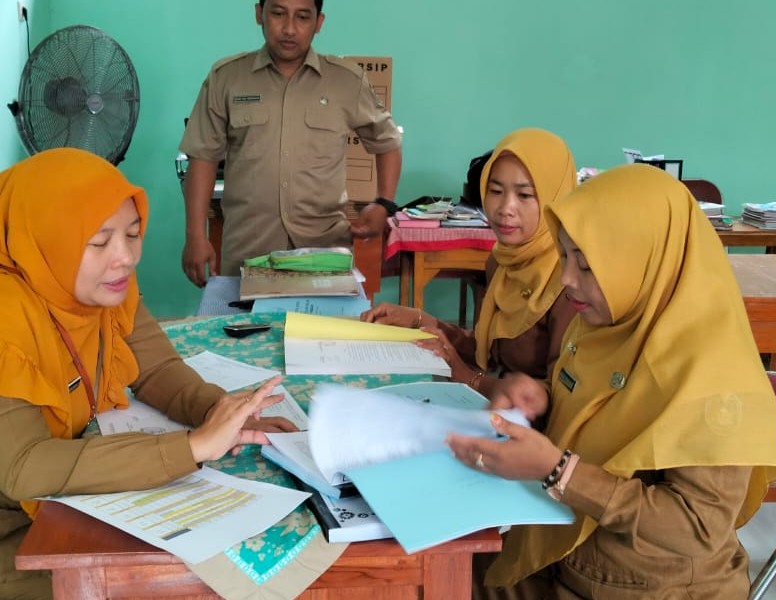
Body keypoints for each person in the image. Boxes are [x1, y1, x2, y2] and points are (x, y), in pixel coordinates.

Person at [446, 163, 776, 599]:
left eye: (587, 266)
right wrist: (541, 398)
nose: (567, 279)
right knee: (434, 571)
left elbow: (697, 528)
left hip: (648, 587)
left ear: (644, 262)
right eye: (565, 256)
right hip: (573, 550)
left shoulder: (715, 377)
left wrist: (558, 471)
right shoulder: (609, 324)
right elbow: (601, 408)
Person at [0, 148, 298, 599]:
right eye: (98, 242)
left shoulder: (100, 288)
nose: (125, 258)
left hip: (59, 502)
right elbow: (24, 466)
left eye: (133, 234)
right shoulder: (7, 316)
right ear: (45, 239)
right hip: (13, 529)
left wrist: (219, 413)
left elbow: (155, 367)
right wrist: (191, 447)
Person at [179, 0, 403, 287]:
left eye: (302, 17)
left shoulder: (346, 81)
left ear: (318, 22)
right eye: (278, 13)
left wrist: (383, 203)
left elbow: (388, 142)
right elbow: (203, 157)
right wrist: (195, 236)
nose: (289, 28)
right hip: (248, 251)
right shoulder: (226, 78)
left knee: (324, 320)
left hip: (324, 252)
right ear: (259, 14)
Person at [362, 128, 576, 415]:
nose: (505, 208)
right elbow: (488, 348)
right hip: (488, 408)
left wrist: (469, 378)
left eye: (525, 195)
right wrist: (419, 319)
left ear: (556, 198)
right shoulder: (502, 260)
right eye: (495, 191)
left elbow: (560, 401)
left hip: (530, 432)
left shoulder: (571, 283)